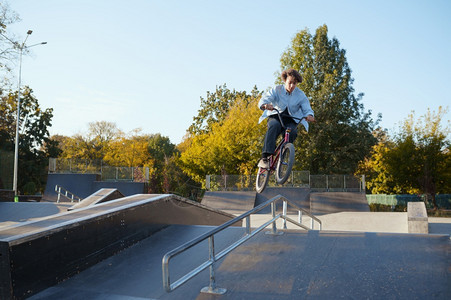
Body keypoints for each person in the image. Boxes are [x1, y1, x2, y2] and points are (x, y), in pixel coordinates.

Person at [257, 69, 315, 169]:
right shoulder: (277, 89)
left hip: (291, 119)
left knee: (292, 132)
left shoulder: (300, 95)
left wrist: (310, 115)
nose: (292, 86)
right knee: (274, 126)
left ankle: (283, 155)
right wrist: (265, 105)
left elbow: (306, 107)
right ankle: (265, 158)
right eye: (290, 83)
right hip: (276, 116)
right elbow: (266, 98)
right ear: (285, 80)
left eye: (294, 83)